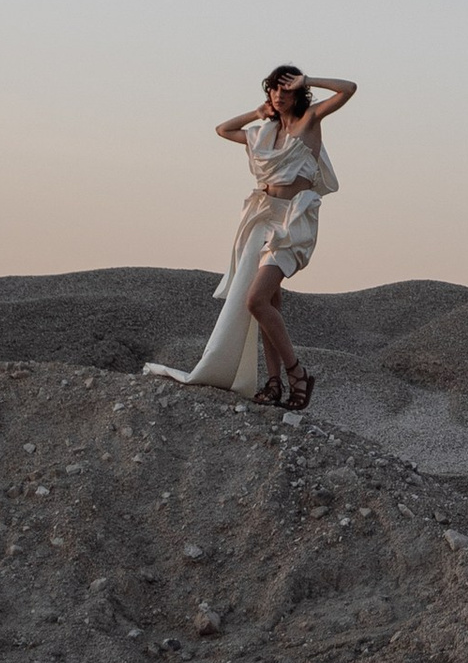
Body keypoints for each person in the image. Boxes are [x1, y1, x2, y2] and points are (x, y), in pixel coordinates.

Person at [144, 65, 355, 408]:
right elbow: (223, 129)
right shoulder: (263, 132)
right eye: (274, 90)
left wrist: (310, 80)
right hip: (262, 217)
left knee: (255, 300)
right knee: (269, 303)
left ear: (298, 94)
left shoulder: (310, 122)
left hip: (292, 220)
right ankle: (273, 383)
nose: (279, 95)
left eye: (287, 90)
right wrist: (257, 113)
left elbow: (349, 88)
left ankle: (297, 373)